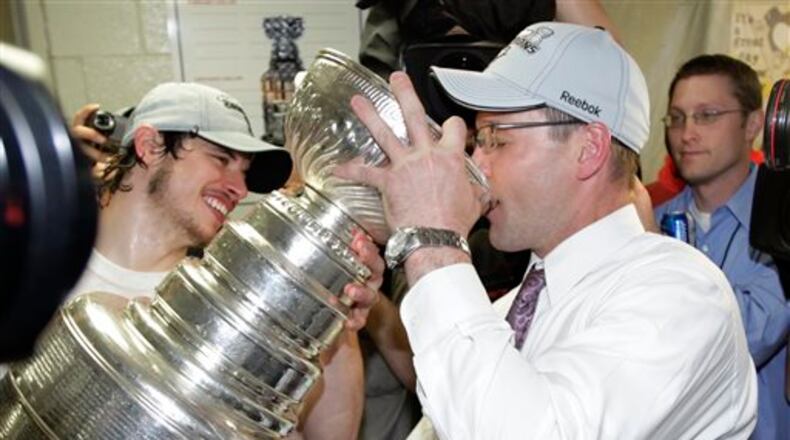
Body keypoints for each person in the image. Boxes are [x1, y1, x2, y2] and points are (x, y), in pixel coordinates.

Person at [336, 22, 758, 439]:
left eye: (495, 139)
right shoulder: (515, 309)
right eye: (478, 142)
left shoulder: (681, 294)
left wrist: (433, 240)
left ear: (589, 148)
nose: (476, 166)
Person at [69, 82, 383, 439]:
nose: (240, 188)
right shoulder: (38, 270)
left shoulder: (234, 304)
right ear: (150, 146)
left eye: (245, 171)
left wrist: (333, 317)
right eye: (221, 159)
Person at [654, 54, 789, 440]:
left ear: (754, 124)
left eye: (707, 115)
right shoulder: (653, 221)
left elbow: (748, 336)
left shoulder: (781, 223)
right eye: (676, 118)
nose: (687, 133)